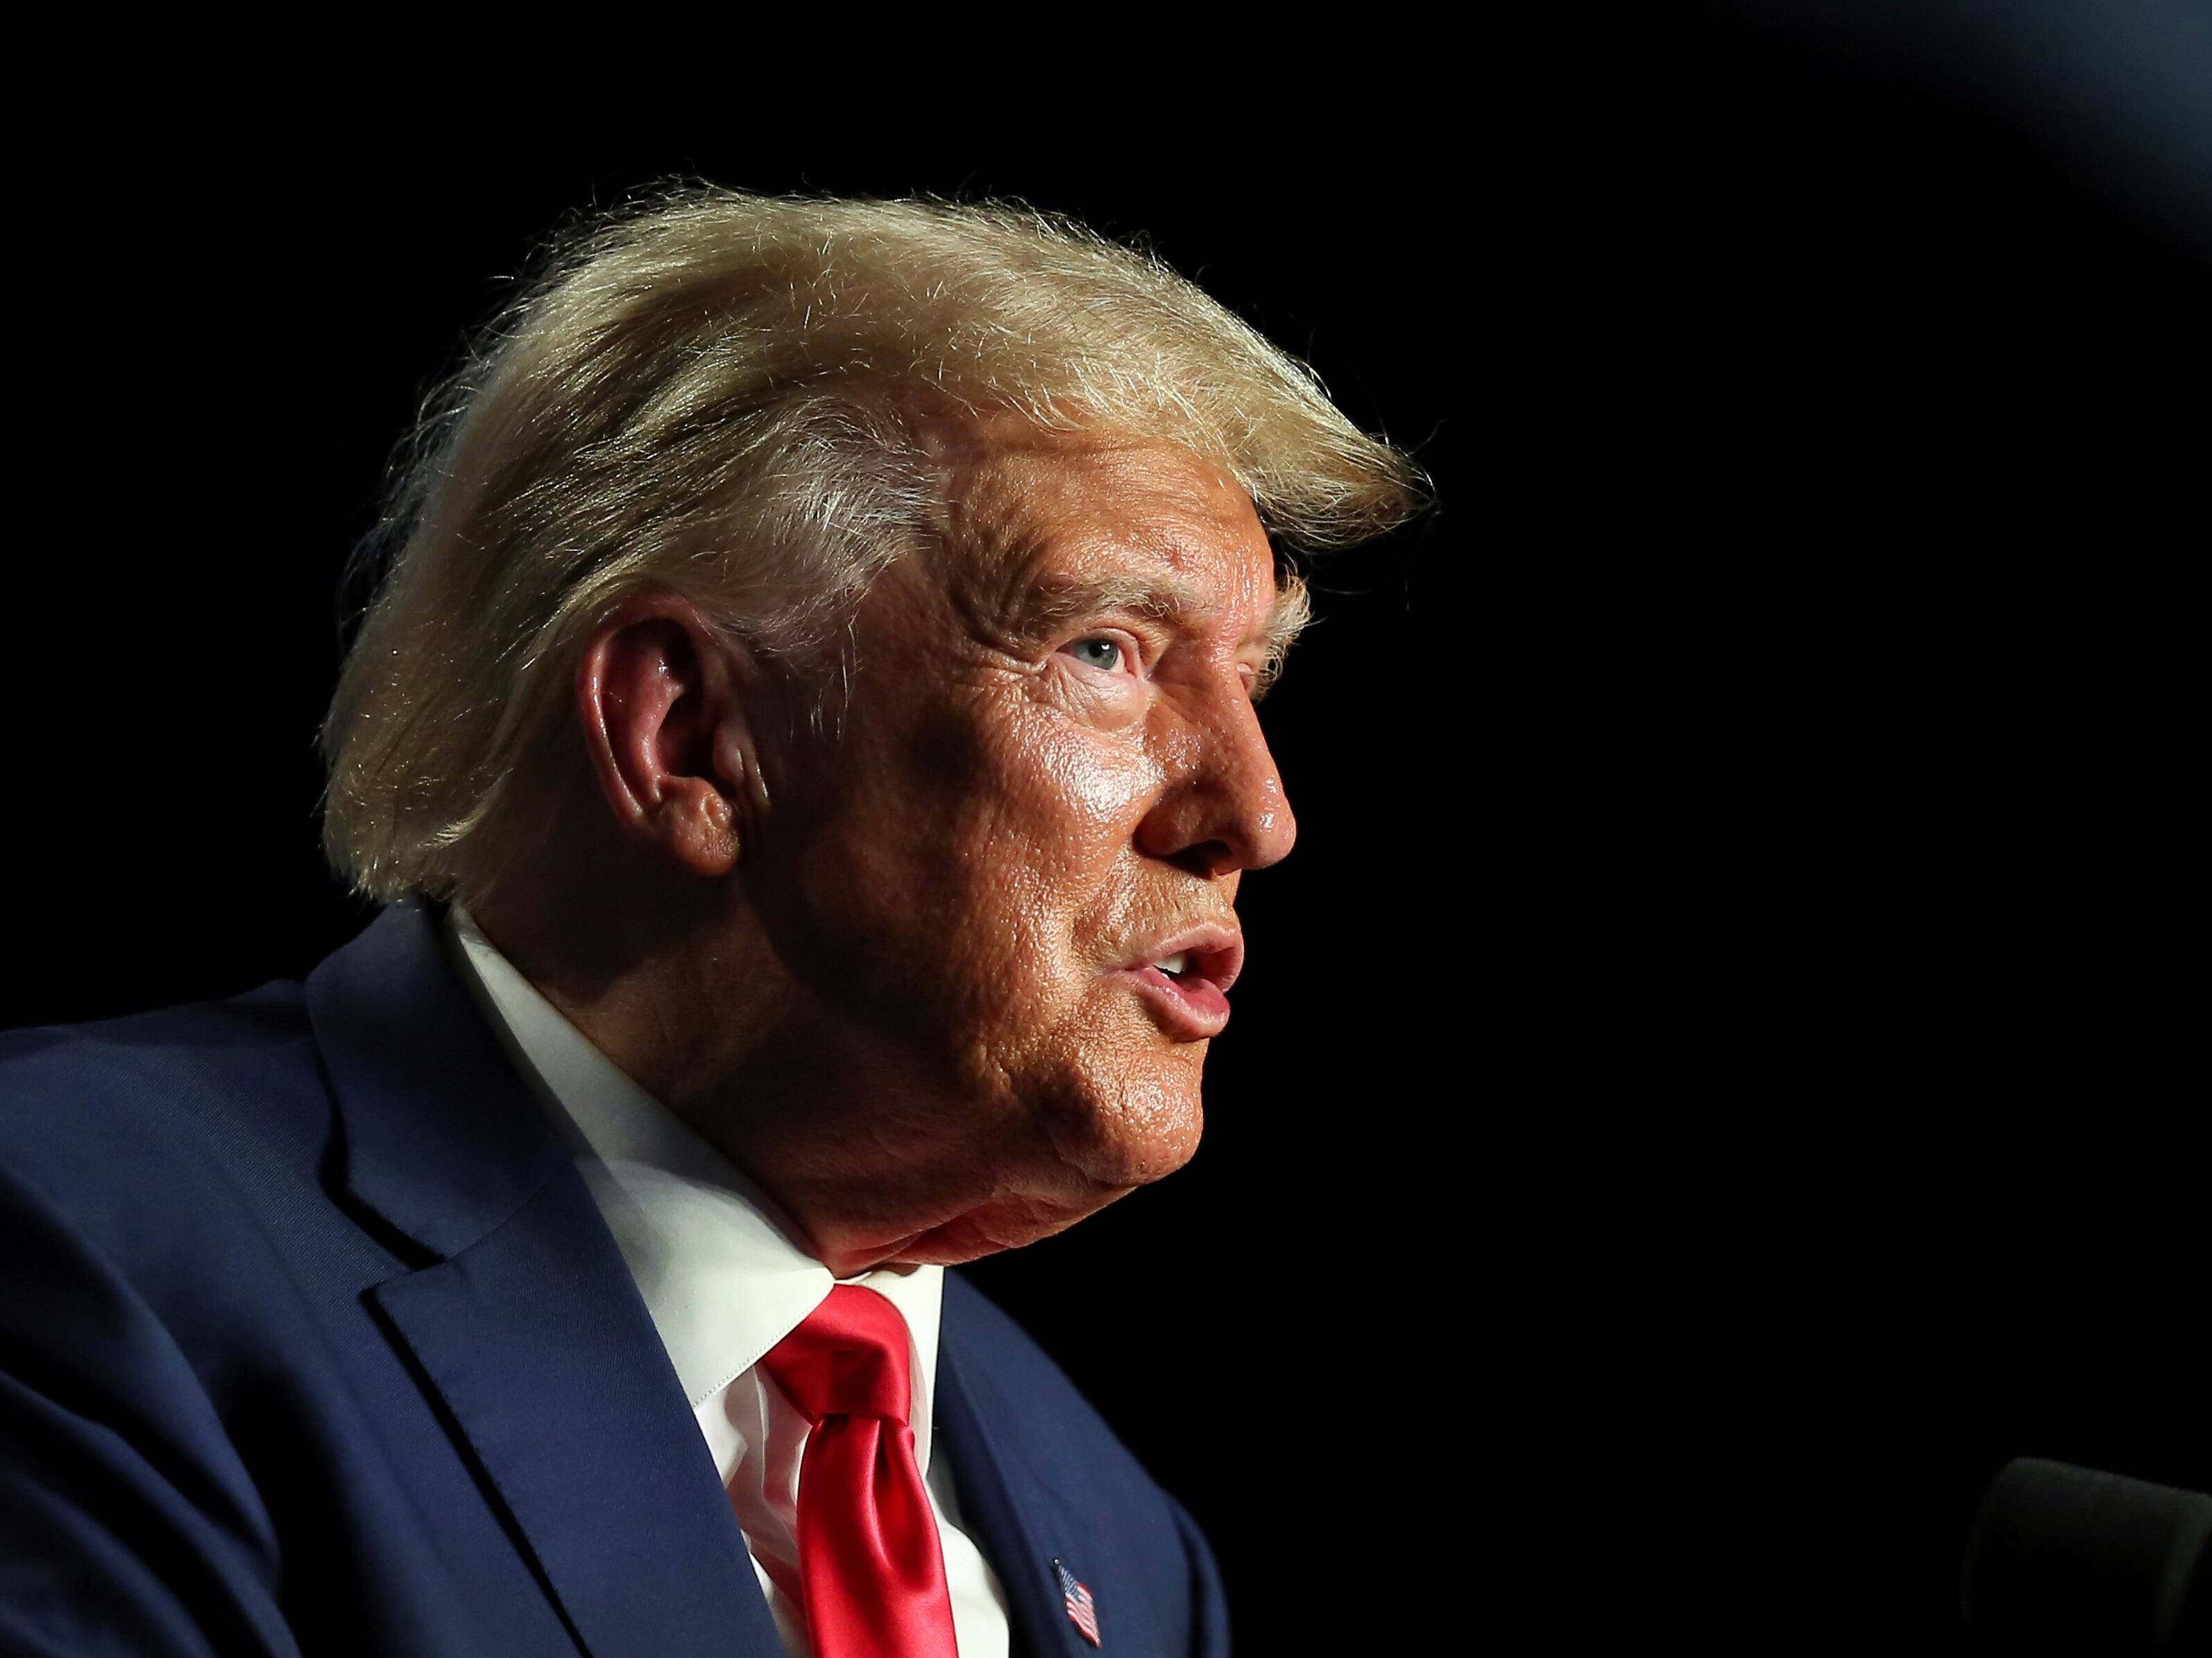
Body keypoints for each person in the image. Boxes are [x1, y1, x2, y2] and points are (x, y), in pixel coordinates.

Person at [0, 187, 1424, 1658]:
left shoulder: (1120, 1542)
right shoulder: (75, 1261)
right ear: (688, 735)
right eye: (1106, 651)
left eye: (1251, 679)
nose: (1256, 815)